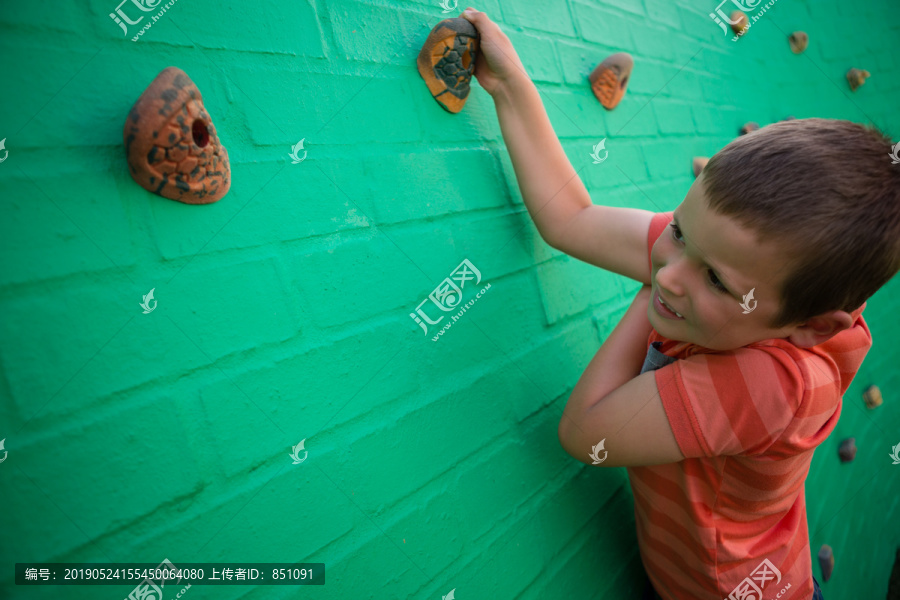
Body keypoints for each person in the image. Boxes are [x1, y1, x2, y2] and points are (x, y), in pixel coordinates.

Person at [458, 7, 898, 600]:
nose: (672, 273)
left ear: (811, 327)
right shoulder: (731, 261)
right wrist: (512, 88)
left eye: (713, 280)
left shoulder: (774, 383)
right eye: (680, 230)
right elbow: (571, 218)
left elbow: (589, 433)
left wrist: (654, 286)